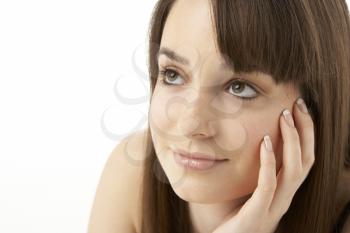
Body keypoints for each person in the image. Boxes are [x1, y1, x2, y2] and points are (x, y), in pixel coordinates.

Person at [88, 0, 350, 232]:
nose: (191, 124)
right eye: (172, 74)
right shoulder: (132, 174)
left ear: (313, 107)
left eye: (239, 87)